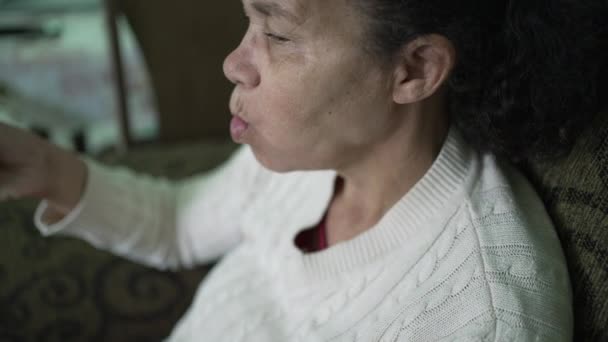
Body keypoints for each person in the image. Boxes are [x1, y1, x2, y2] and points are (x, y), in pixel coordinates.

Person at [1, 0, 606, 340]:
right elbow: (181, 223)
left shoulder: (483, 318)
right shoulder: (314, 153)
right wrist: (46, 169)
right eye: (248, 21)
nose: (235, 63)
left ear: (415, 69)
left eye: (279, 35)